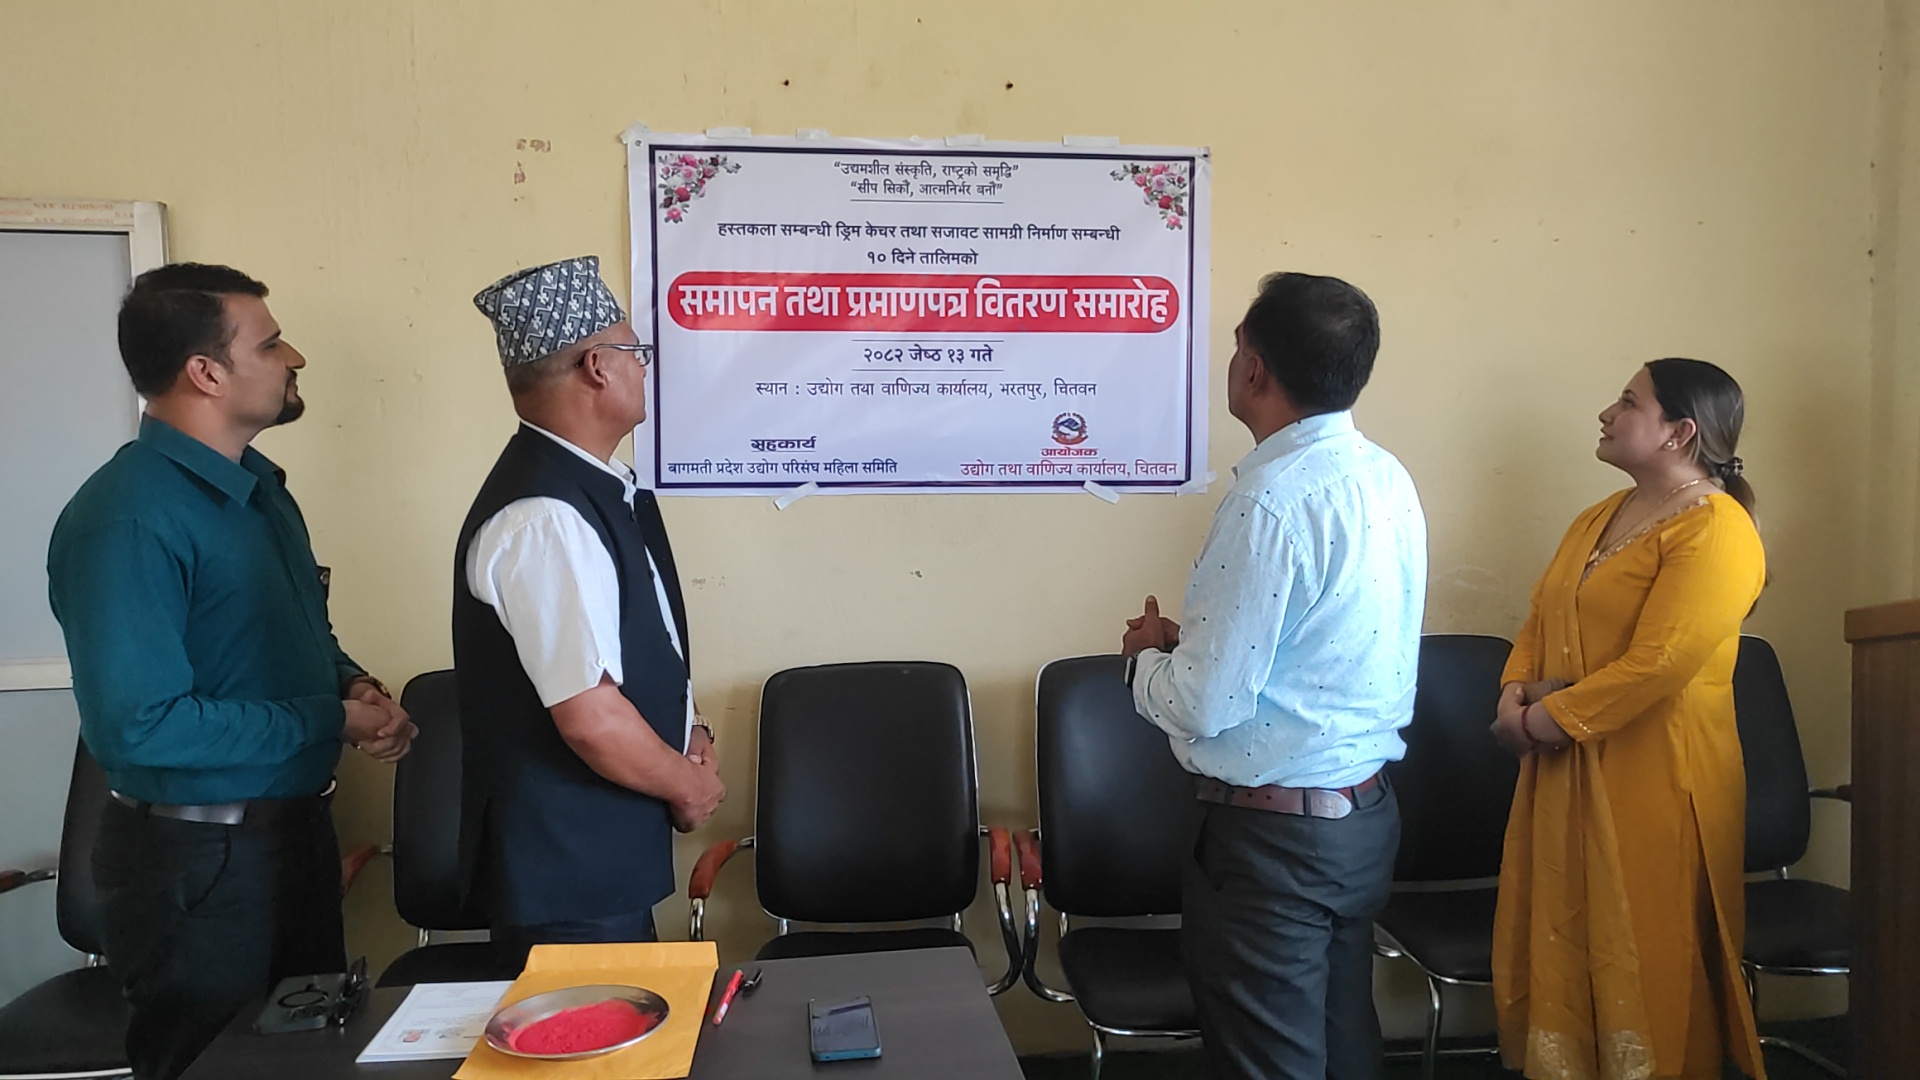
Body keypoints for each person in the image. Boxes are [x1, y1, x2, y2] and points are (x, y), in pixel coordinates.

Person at [46, 263, 414, 1080]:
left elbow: (297, 636)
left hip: (293, 844)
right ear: (205, 372)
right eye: (272, 343)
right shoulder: (126, 518)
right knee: (214, 1068)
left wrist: (350, 683)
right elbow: (142, 726)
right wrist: (329, 719)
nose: (295, 358)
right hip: (197, 868)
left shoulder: (261, 493)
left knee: (312, 1061)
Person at [1121, 272, 1428, 1080]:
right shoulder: (1385, 475)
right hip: (1360, 818)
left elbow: (1205, 704)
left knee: (1271, 1063)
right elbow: (1326, 642)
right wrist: (1199, 646)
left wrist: (1142, 664)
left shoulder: (1271, 501)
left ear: (1254, 369)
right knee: (1343, 1047)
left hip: (1274, 847)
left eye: (1236, 348)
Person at [1490, 358, 1767, 1080]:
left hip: (1658, 778)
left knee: (1651, 947)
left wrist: (1543, 722)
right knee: (1566, 930)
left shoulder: (1718, 528)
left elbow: (1662, 662)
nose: (1607, 414)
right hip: (1566, 765)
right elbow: (1541, 615)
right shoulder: (1598, 517)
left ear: (1680, 432)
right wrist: (1513, 693)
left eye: (1628, 401)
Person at [456, 255, 724, 963]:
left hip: (598, 864)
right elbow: (592, 720)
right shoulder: (544, 517)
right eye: (637, 353)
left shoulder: (594, 489)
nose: (645, 369)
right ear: (598, 367)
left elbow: (632, 647)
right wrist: (689, 787)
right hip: (567, 882)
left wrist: (689, 728)